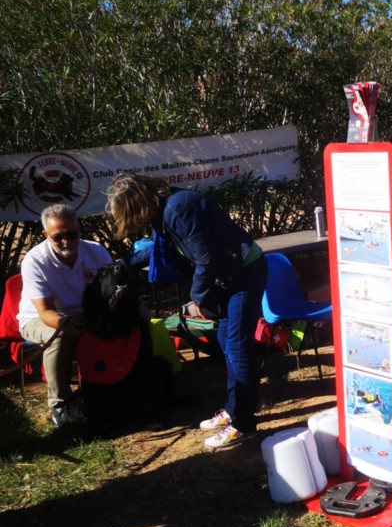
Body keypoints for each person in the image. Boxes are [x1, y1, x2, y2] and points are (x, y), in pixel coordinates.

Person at [105, 174, 268, 450]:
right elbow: (161, 249)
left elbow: (207, 259)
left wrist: (198, 299)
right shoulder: (164, 209)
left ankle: (243, 424)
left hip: (244, 274)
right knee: (229, 345)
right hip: (230, 276)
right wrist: (125, 264)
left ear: (137, 204)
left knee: (237, 348)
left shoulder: (178, 208)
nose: (131, 223)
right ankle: (233, 408)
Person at [17, 204, 112, 425]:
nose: (66, 242)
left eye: (71, 235)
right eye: (58, 237)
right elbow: (45, 311)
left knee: (135, 317)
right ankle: (60, 404)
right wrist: (66, 323)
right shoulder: (35, 260)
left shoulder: (96, 251)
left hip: (86, 312)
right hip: (40, 318)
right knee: (60, 335)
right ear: (45, 235)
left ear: (79, 229)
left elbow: (112, 290)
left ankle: (121, 385)